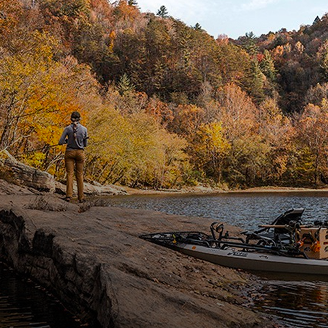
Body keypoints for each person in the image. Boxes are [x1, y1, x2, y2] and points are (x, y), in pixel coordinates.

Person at [59, 111, 88, 203]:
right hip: (80, 153)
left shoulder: (67, 129)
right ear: (80, 119)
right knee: (79, 175)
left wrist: (67, 141)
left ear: (71, 118)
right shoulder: (84, 129)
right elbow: (85, 144)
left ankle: (68, 196)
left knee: (70, 174)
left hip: (69, 152)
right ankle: (81, 197)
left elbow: (60, 142)